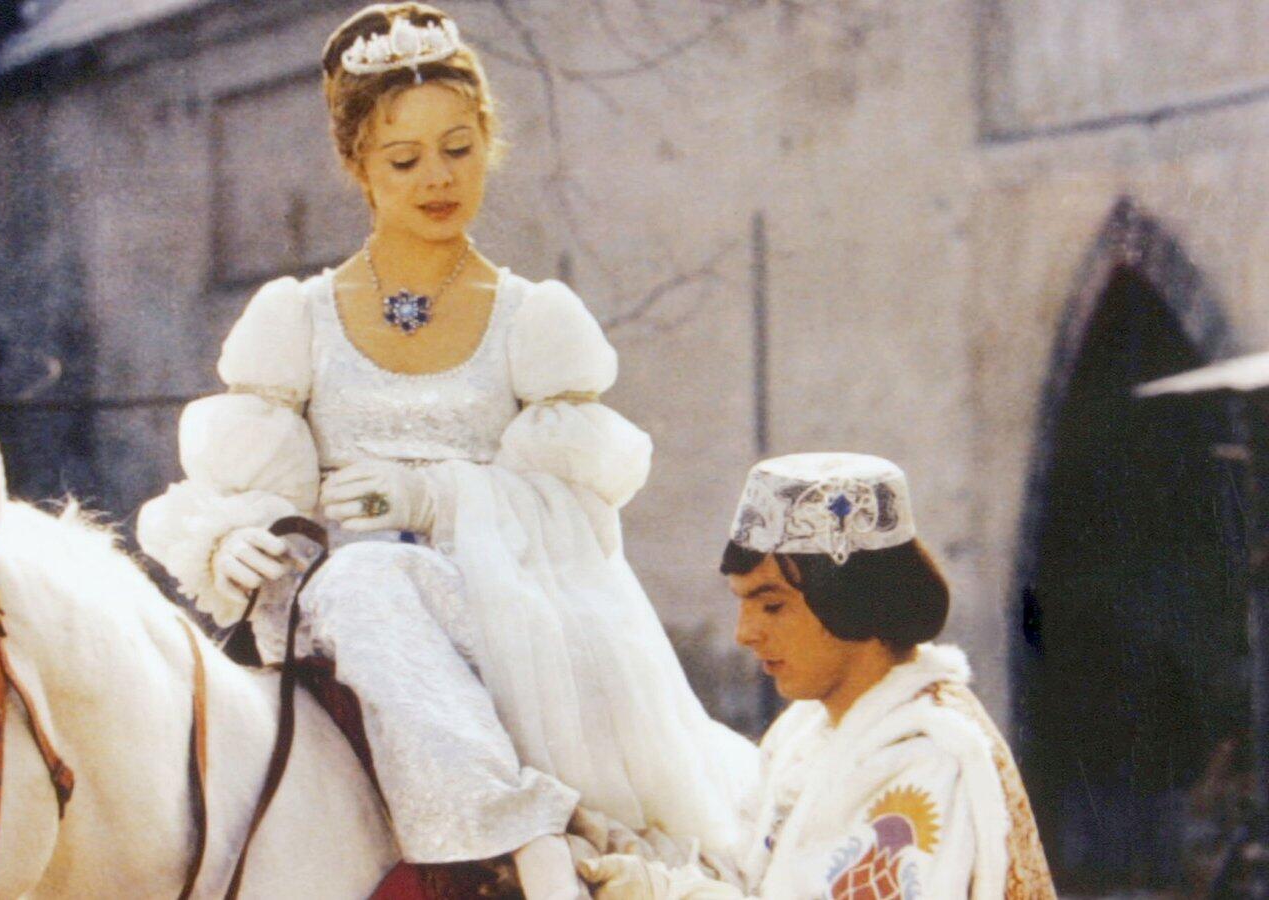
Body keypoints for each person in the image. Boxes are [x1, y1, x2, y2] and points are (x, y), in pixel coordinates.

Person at [135, 4, 759, 897]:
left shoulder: (532, 321)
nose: (438, 177)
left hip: (495, 604)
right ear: (358, 165)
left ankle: (511, 841)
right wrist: (230, 534)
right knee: (363, 578)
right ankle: (522, 841)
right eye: (405, 159)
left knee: (379, 577)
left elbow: (581, 517)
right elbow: (238, 480)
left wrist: (435, 499)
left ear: (488, 144)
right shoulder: (298, 319)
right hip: (338, 611)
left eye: (459, 148)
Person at [579, 453, 1056, 898]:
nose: (745, 634)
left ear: (853, 601)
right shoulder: (804, 730)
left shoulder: (928, 757)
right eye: (743, 604)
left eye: (772, 606)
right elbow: (753, 882)